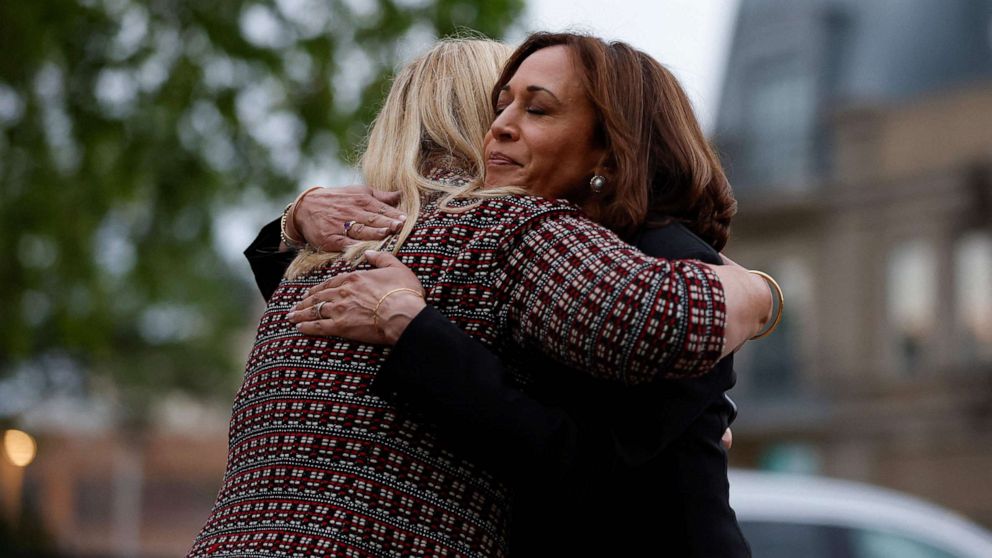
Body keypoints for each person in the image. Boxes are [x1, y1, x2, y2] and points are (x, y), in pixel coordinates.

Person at [192, 37, 772, 557]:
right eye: (499, 105)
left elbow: (595, 460)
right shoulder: (421, 239)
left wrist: (761, 294)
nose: (503, 126)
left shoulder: (641, 253)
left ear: (608, 145)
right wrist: (296, 219)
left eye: (536, 107)